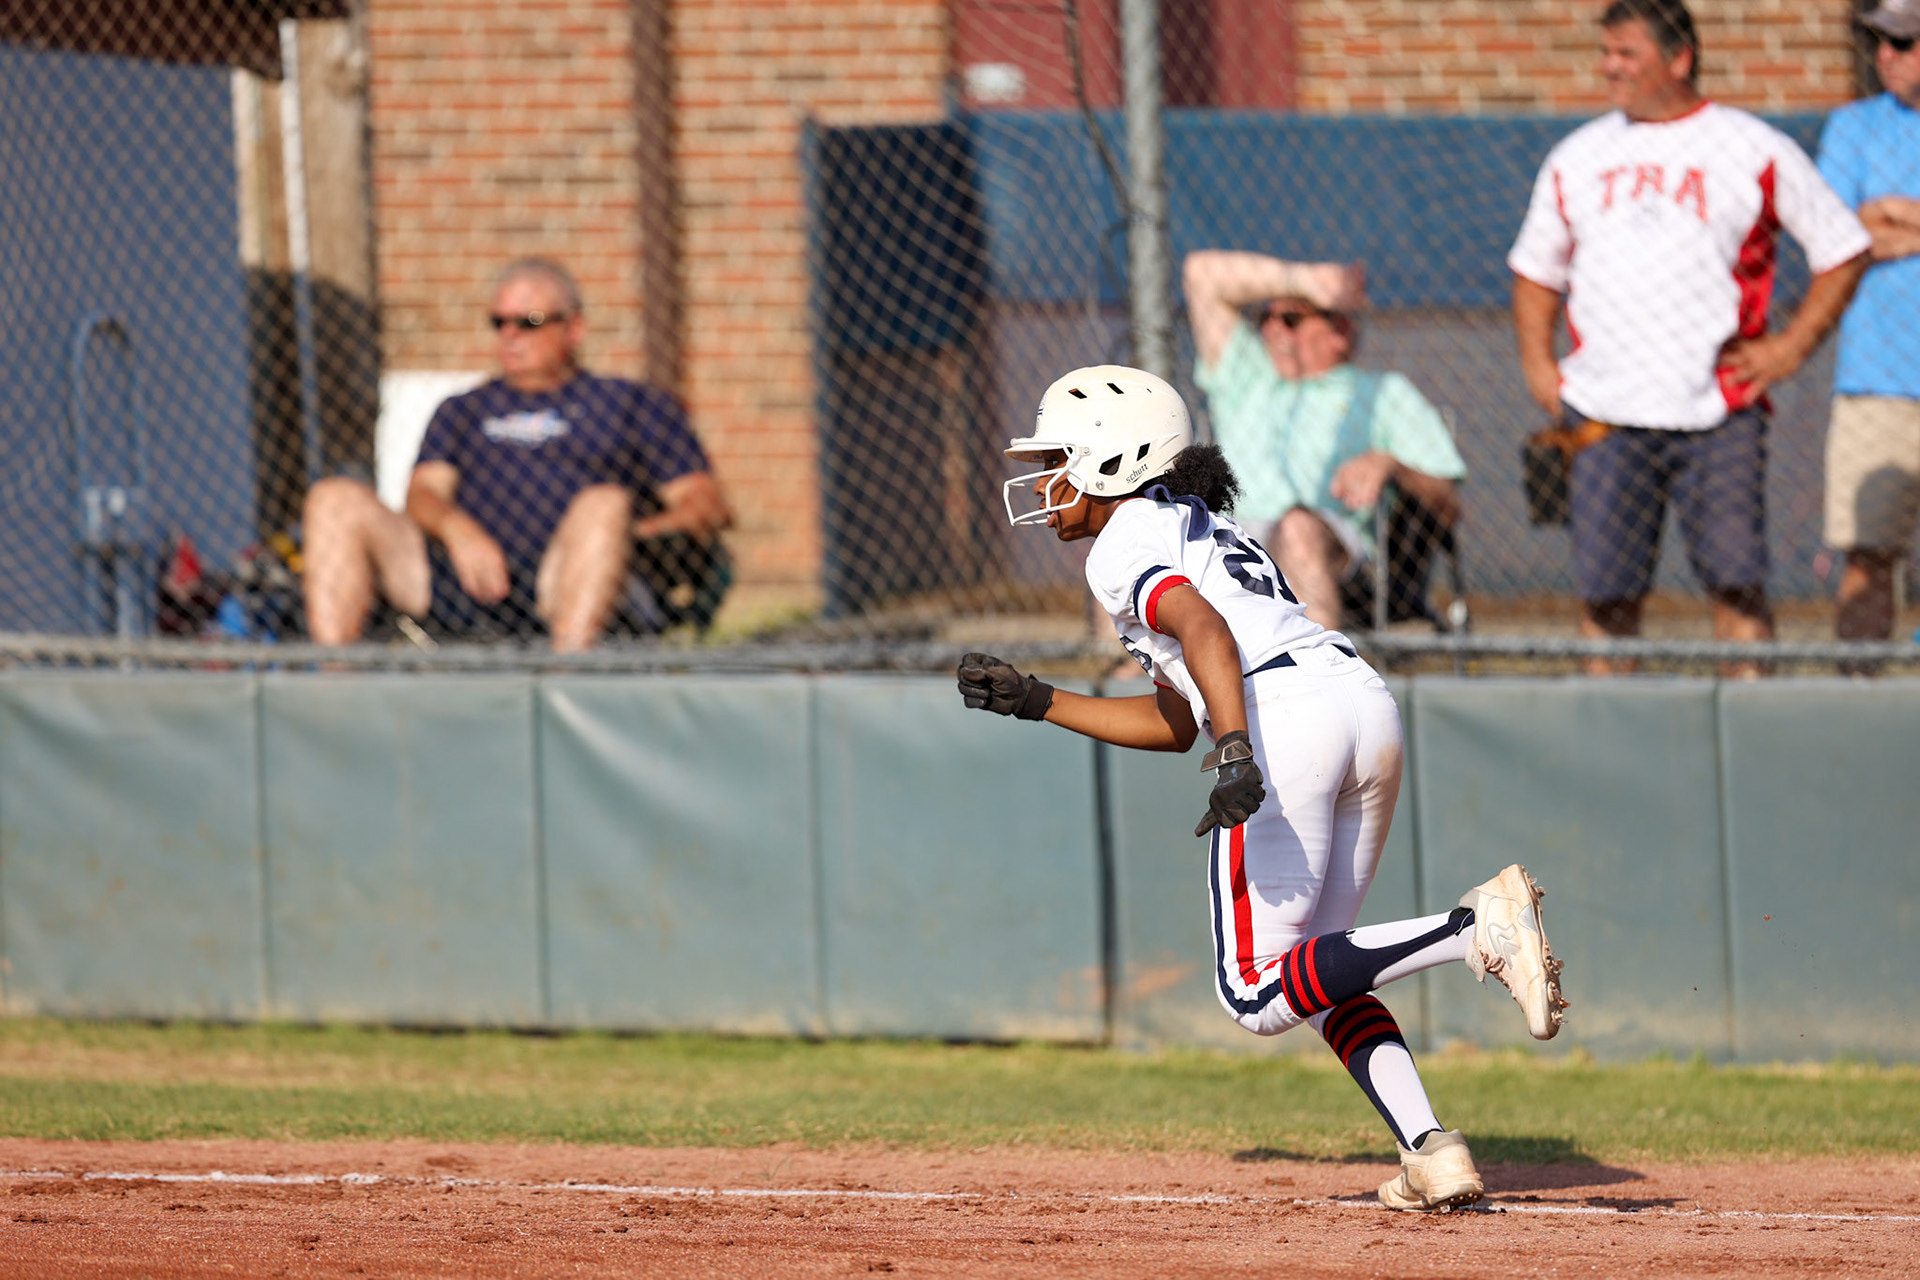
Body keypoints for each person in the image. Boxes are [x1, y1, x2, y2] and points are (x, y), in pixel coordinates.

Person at [957, 365, 1567, 1213]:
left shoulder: (1122, 542)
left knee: (1254, 989)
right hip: (1356, 701)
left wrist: (1238, 749)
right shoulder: (1202, 525)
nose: (1043, 477)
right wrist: (1040, 701)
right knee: (1321, 974)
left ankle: (1471, 929)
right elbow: (1179, 718)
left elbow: (1202, 634)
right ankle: (1430, 1148)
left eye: (1059, 456)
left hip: (1284, 719)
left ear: (1112, 459)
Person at [1508, 0, 1871, 675]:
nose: (1610, 67)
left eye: (1628, 54)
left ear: (1680, 59)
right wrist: (1537, 362)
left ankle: (1755, 737)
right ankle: (1611, 750)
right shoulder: (1579, 154)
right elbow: (1535, 271)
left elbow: (1842, 248)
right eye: (1606, 52)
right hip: (1604, 416)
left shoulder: (1751, 147)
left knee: (1737, 590)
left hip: (1719, 408)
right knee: (1607, 600)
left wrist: (1791, 347)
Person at [302, 259, 731, 652]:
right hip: (463, 578)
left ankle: (566, 687)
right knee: (333, 498)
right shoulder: (463, 409)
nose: (510, 336)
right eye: (499, 322)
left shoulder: (630, 404)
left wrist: (620, 536)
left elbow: (703, 503)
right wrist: (459, 531)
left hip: (566, 578)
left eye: (528, 322)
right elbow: (423, 495)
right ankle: (336, 689)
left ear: (574, 329)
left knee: (603, 503)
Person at [1182, 251, 1466, 631]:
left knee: (1297, 529)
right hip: (1226, 539)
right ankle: (1120, 678)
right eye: (1265, 317)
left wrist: (1389, 464)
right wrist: (1305, 282)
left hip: (1330, 546)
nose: (1273, 331)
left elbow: (1447, 504)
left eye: (1292, 319)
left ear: (1340, 332)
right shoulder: (1246, 375)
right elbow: (1200, 274)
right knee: (1134, 520)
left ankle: (1322, 681)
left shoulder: (1383, 392)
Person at [1817, 0, 1920, 645]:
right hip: (1876, 383)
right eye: (1879, 42)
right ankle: (1857, 700)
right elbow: (1837, 238)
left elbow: (1871, 229)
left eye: (1905, 43)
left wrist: (1894, 217)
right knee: (1867, 557)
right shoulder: (1853, 128)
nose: (1886, 56)